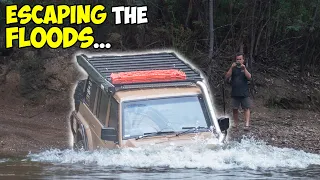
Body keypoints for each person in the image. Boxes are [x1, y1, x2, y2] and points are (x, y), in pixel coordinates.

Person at [225, 52, 252, 131]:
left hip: (244, 92)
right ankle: (236, 124)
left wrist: (244, 69)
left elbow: (249, 77)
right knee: (235, 109)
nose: (239, 61)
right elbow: (227, 76)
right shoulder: (233, 68)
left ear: (243, 60)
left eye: (240, 59)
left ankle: (246, 125)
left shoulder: (245, 68)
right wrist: (231, 67)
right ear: (235, 60)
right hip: (235, 92)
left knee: (246, 108)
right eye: (237, 59)